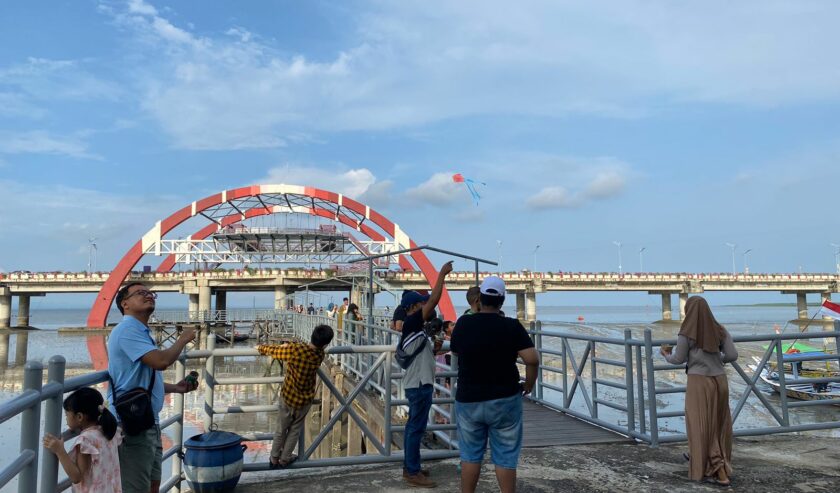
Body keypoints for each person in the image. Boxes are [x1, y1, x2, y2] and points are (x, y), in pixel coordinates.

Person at [450, 276, 539, 493]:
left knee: (470, 455)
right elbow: (532, 359)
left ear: (480, 298)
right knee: (505, 456)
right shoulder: (511, 326)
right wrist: (529, 383)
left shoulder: (463, 324)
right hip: (505, 399)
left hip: (469, 398)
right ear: (502, 300)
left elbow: (455, 350)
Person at [108, 282, 199, 493]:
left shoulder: (140, 330)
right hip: (131, 424)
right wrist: (182, 339)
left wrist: (176, 388)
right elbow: (161, 361)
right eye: (141, 293)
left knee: (152, 485)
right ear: (125, 304)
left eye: (150, 293)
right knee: (137, 487)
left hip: (146, 420)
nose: (148, 295)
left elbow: (139, 381)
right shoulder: (127, 330)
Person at [661, 296, 738, 486]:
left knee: (700, 424)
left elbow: (678, 359)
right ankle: (701, 457)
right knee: (718, 424)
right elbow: (732, 355)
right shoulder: (720, 330)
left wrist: (666, 355)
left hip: (699, 382)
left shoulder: (687, 333)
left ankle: (719, 472)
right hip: (720, 381)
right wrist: (716, 359)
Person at [399, 260, 453, 488]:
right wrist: (441, 274)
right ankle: (412, 472)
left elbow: (420, 351)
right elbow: (435, 299)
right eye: (421, 304)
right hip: (420, 384)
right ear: (413, 307)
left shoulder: (414, 328)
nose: (425, 306)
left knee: (415, 426)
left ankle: (412, 467)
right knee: (415, 428)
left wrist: (434, 348)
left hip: (419, 382)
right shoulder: (413, 321)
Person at [257, 324, 334, 469]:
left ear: (312, 335)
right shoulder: (319, 355)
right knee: (295, 430)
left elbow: (275, 352)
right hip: (304, 401)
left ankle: (274, 458)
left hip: (288, 397)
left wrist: (261, 348)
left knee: (281, 428)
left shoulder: (296, 350)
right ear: (325, 345)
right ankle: (285, 458)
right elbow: (307, 349)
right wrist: (292, 344)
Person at [42, 387, 122, 492]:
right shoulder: (108, 430)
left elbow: (76, 477)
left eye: (67, 414)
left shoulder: (86, 441)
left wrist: (59, 451)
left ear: (79, 417)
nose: (66, 418)